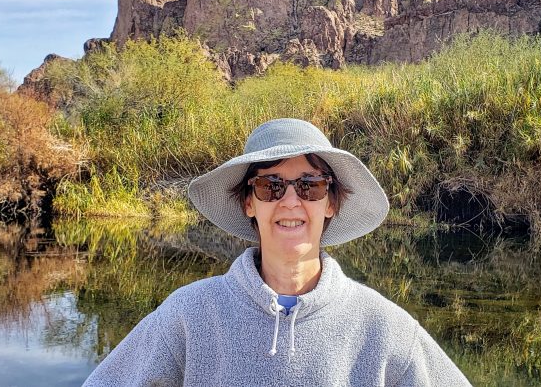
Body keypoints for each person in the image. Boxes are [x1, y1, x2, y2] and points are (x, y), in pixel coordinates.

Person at [83, 118, 471, 386]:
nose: (290, 202)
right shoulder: (188, 315)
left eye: (310, 186)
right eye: (270, 186)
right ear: (249, 203)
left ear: (331, 202)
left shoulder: (385, 328)